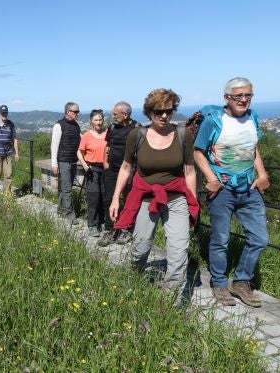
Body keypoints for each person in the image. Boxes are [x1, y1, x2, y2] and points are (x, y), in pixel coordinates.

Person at [109, 89, 198, 292]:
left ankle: (171, 296)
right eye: (159, 111)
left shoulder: (182, 135)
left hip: (176, 198)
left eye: (169, 111)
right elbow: (126, 168)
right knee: (140, 247)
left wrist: (192, 203)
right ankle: (135, 277)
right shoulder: (137, 135)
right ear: (149, 112)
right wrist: (115, 198)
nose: (164, 116)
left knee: (178, 250)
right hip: (145, 198)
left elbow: (190, 171)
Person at [193, 77, 270, 308]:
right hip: (222, 190)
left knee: (260, 238)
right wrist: (211, 178)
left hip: (249, 188)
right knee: (221, 239)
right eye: (238, 96)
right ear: (227, 98)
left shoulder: (253, 117)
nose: (244, 100)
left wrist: (262, 174)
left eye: (248, 95)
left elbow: (253, 148)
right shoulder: (213, 121)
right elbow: (198, 152)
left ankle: (241, 281)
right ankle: (219, 283)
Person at [97, 101, 141, 246]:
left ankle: (127, 230)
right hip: (112, 170)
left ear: (125, 115)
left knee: (129, 201)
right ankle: (111, 230)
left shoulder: (137, 129)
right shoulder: (112, 127)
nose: (113, 116)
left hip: (130, 171)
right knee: (109, 199)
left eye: (115, 114)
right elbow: (108, 145)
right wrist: (105, 162)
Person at [77, 109, 108, 237]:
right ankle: (92, 224)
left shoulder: (108, 133)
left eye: (100, 119)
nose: (98, 122)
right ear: (91, 121)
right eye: (96, 120)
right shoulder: (87, 135)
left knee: (104, 197)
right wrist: (84, 165)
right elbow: (80, 151)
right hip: (92, 169)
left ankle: (102, 221)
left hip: (105, 168)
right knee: (93, 197)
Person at [51, 102, 82, 224]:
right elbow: (54, 146)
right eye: (76, 111)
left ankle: (60, 210)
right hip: (63, 161)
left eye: (78, 111)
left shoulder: (76, 125)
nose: (78, 114)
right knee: (67, 188)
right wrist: (54, 164)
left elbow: (81, 140)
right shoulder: (59, 126)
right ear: (68, 112)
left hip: (73, 160)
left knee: (64, 187)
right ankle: (70, 215)